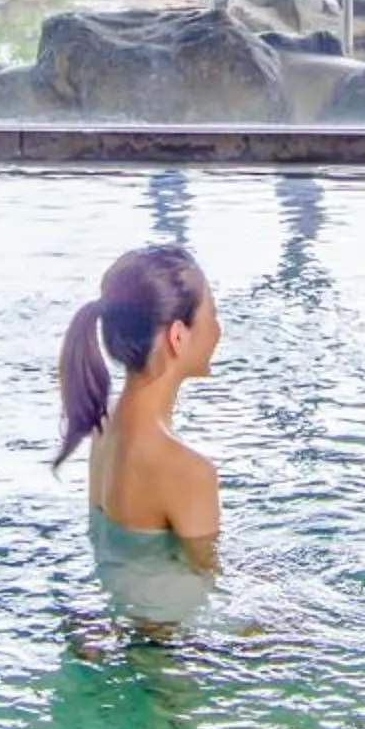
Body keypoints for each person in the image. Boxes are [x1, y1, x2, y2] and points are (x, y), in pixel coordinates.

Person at [55, 245, 222, 623]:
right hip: (171, 643)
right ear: (178, 335)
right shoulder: (186, 470)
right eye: (213, 315)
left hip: (124, 616)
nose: (218, 330)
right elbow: (214, 581)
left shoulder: (104, 423)